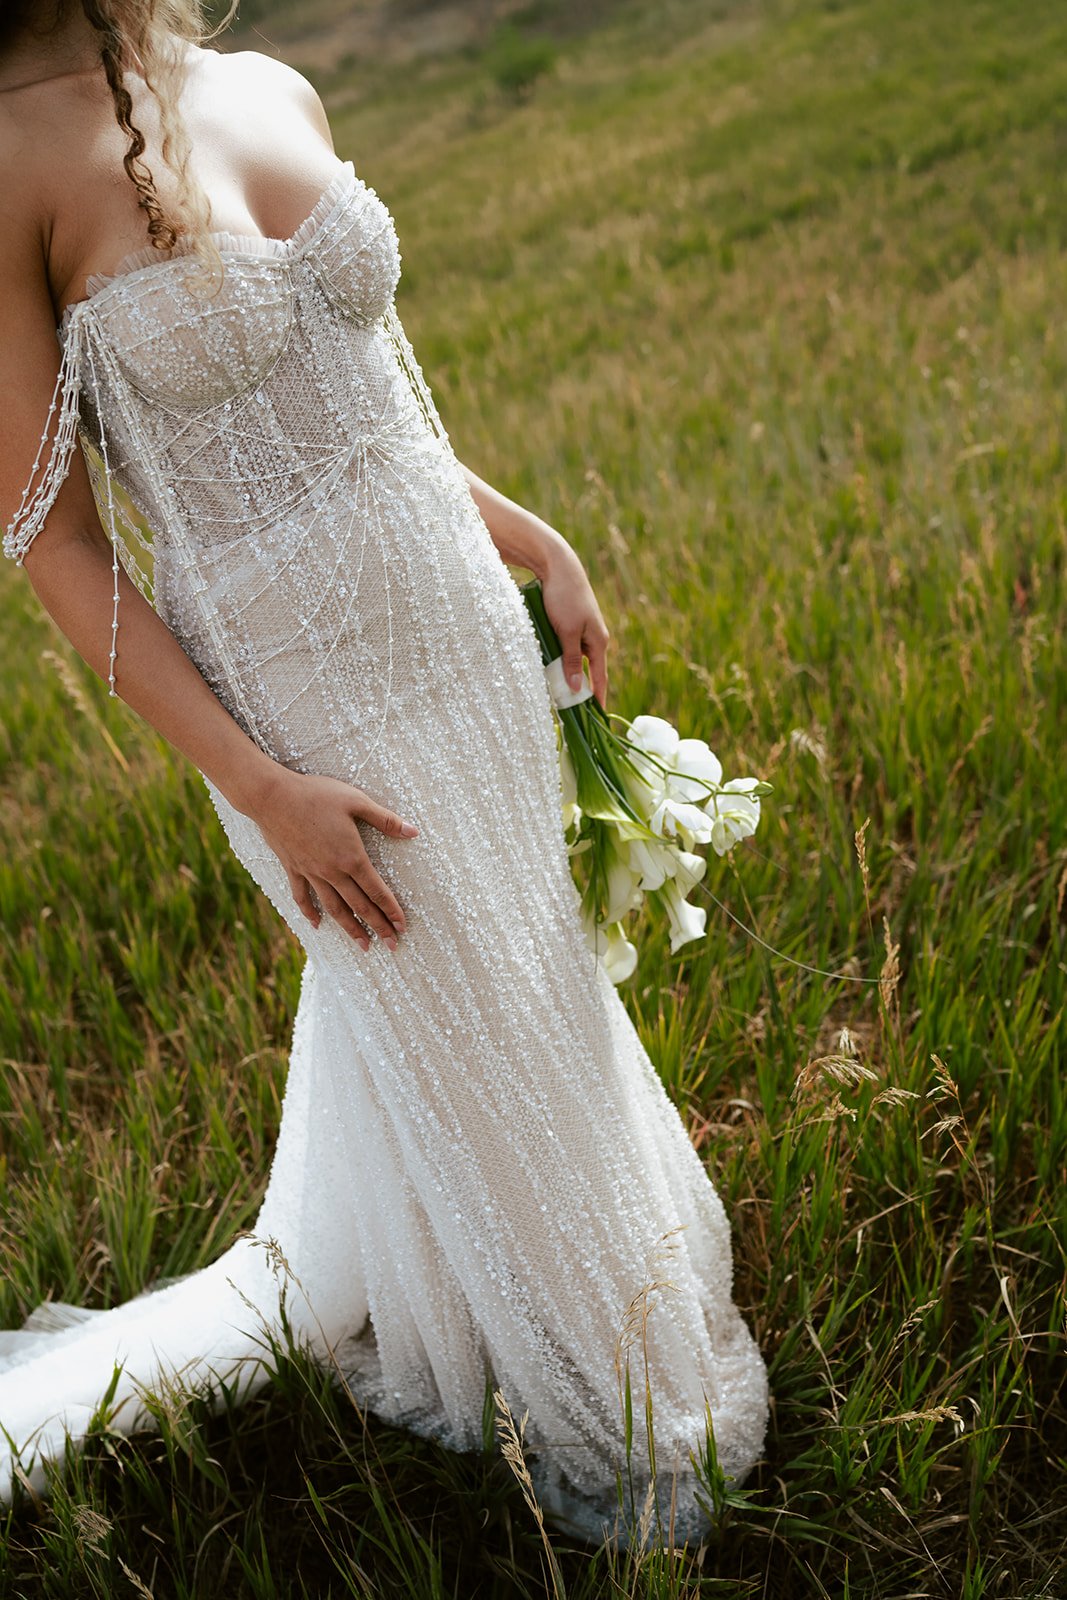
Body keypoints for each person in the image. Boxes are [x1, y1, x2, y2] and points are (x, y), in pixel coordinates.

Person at [0, 0, 770, 1548]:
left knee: (533, 989)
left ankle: (499, 1293)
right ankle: (605, 1406)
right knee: (453, 1011)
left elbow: (376, 409)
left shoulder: (257, 79)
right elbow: (56, 546)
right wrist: (261, 785)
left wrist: (529, 538)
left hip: (463, 641)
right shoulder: (6, 165)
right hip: (302, 719)